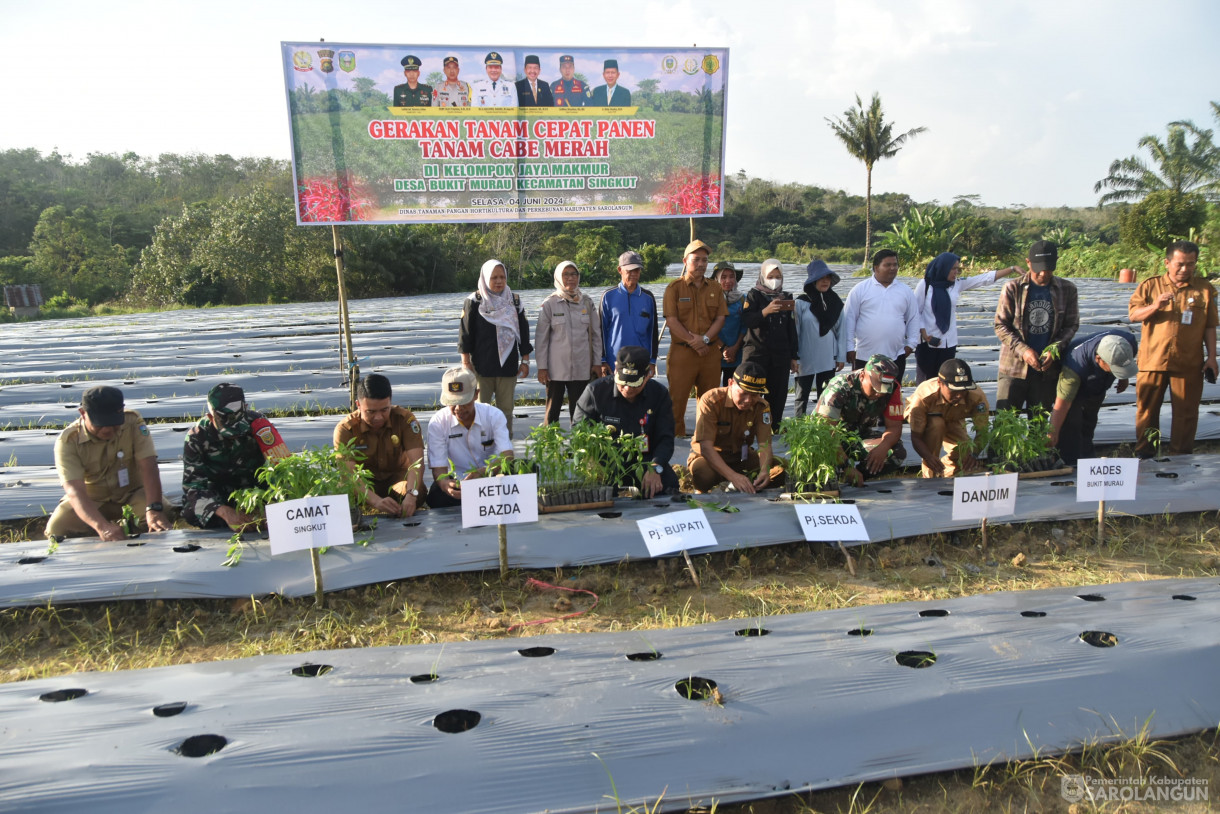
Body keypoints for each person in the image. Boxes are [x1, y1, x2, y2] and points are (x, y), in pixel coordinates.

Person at [1128, 240, 1218, 457]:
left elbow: (1209, 326)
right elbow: (1133, 315)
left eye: (1190, 264)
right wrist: (1155, 306)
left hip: (1188, 362)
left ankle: (1180, 458)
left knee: (1186, 414)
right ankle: (1146, 455)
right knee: (1147, 412)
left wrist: (1212, 357)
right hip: (1153, 360)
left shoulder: (1204, 290)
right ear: (1167, 262)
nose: (1185, 269)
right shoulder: (1150, 286)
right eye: (1180, 264)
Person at [47, 386, 170, 540]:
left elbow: (149, 466)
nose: (108, 430)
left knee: (161, 512)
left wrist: (154, 509)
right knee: (57, 528)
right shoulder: (68, 442)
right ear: (83, 413)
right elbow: (75, 491)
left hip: (131, 492)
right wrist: (102, 527)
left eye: (114, 423)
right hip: (93, 498)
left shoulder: (132, 422)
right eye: (100, 424)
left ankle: (135, 531)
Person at [182, 383, 291, 530]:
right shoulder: (197, 437)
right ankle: (234, 522)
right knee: (191, 511)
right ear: (210, 417)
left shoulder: (260, 426)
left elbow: (283, 469)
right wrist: (224, 512)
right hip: (223, 494)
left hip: (257, 490)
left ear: (245, 408)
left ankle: (259, 520)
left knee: (292, 497)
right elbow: (193, 487)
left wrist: (270, 505)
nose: (234, 436)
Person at [574, 345, 680, 497]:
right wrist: (592, 462)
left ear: (647, 375)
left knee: (668, 485)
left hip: (644, 461)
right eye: (623, 382)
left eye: (634, 384)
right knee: (595, 494)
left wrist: (656, 467)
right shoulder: (595, 392)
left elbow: (665, 438)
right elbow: (579, 432)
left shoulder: (659, 395)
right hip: (605, 462)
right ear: (615, 371)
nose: (627, 389)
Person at [994, 240, 1079, 414]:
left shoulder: (1067, 289)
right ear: (1028, 262)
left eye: (1048, 268)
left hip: (1046, 370)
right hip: (1014, 368)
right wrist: (1024, 350)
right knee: (1006, 424)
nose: (1042, 273)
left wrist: (1054, 349)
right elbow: (1001, 325)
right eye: (1038, 268)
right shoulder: (1013, 288)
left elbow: (1071, 325)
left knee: (1039, 424)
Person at [912, 252, 1017, 382]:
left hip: (948, 342)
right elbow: (915, 311)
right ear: (943, 268)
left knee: (946, 381)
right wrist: (924, 332)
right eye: (953, 269)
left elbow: (983, 279)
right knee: (927, 383)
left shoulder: (956, 284)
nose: (956, 272)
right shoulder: (926, 285)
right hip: (927, 343)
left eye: (958, 269)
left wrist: (1011, 269)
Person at [333, 374, 426, 517]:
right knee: (341, 495)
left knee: (418, 491)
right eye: (370, 411)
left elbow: (417, 464)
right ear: (358, 405)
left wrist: (411, 495)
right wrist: (376, 501)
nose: (378, 417)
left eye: (384, 410)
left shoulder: (405, 420)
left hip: (396, 480)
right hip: (364, 484)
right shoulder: (346, 429)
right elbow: (349, 475)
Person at [459, 258, 532, 438]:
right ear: (485, 278)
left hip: (507, 367)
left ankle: (504, 448)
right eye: (494, 277)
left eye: (502, 277)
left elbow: (523, 332)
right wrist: (466, 362)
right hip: (481, 368)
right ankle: (479, 445)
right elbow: (465, 334)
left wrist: (525, 361)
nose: (499, 281)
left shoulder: (514, 301)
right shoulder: (474, 301)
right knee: (479, 408)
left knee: (505, 410)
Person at [687, 361, 784, 493]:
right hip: (710, 458)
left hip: (741, 458)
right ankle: (726, 483)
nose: (748, 400)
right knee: (703, 475)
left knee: (783, 469)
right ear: (731, 383)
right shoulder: (711, 400)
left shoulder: (762, 407)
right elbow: (706, 447)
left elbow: (764, 445)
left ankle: (748, 483)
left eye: (755, 395)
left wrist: (764, 471)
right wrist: (733, 476)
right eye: (743, 393)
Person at [664, 239, 727, 435]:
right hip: (682, 354)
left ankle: (705, 441)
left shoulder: (715, 288)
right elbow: (672, 321)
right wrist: (695, 342)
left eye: (705, 260)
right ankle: (676, 441)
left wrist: (705, 340)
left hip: (709, 353)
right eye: (696, 259)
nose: (701, 264)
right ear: (685, 261)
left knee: (710, 401)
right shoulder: (674, 288)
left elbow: (720, 318)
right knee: (677, 401)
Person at [427, 367, 514, 509]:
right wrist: (446, 485)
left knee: (528, 470)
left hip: (493, 477)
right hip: (460, 482)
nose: (458, 409)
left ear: (476, 394)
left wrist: (483, 473)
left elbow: (507, 456)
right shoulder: (438, 422)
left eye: (464, 402)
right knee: (436, 496)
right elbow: (439, 468)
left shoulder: (493, 415)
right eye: (452, 403)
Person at [1047, 331, 1139, 464]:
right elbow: (1062, 404)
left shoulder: (1126, 343)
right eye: (1114, 368)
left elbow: (1126, 361)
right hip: (1079, 382)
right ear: (1099, 359)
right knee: (1072, 422)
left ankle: (1087, 459)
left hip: (1098, 383)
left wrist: (1123, 377)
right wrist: (1052, 432)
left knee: (1089, 421)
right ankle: (1070, 461)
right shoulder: (1074, 367)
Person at [816, 355, 906, 486]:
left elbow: (894, 427)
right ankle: (841, 473)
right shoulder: (839, 387)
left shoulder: (894, 389)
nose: (879, 394)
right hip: (828, 440)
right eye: (875, 388)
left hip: (858, 436)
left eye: (884, 390)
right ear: (863, 376)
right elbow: (827, 433)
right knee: (822, 471)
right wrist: (846, 466)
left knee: (896, 452)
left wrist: (883, 447)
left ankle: (858, 476)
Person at [536, 260, 603, 426]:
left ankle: (579, 448)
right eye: (566, 274)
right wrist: (542, 367)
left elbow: (595, 335)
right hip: (555, 369)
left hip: (581, 367)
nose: (570, 278)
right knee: (552, 413)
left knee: (581, 412)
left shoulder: (587, 302)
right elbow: (541, 338)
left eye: (574, 274)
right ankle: (549, 446)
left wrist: (596, 362)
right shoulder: (550, 304)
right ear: (559, 277)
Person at [842, 249, 920, 383]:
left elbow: (913, 319)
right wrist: (849, 348)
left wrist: (911, 344)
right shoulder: (860, 289)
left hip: (896, 356)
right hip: (864, 356)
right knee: (864, 397)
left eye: (895, 265)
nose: (892, 268)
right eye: (887, 265)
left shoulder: (905, 291)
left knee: (892, 397)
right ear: (876, 268)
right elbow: (849, 319)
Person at [905, 359, 989, 478]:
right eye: (954, 390)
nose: (959, 395)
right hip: (928, 419)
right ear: (940, 383)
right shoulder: (923, 397)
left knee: (964, 450)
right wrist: (929, 457)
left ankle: (946, 469)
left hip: (955, 417)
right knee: (937, 425)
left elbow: (983, 431)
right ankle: (930, 475)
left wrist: (974, 454)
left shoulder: (976, 396)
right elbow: (916, 437)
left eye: (963, 390)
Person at [740, 259, 799, 422]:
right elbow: (747, 320)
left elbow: (791, 328)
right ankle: (749, 427)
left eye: (778, 276)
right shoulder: (753, 295)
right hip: (757, 354)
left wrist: (794, 356)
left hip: (780, 356)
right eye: (771, 276)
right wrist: (765, 311)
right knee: (751, 393)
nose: (774, 280)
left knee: (778, 395)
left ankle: (774, 426)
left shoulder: (786, 297)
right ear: (763, 276)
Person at [793, 259, 846, 416]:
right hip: (805, 355)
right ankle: (798, 429)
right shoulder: (801, 302)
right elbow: (795, 331)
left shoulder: (836, 302)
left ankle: (823, 427)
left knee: (826, 396)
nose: (825, 281)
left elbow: (841, 330)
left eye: (828, 278)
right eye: (821, 278)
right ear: (813, 280)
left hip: (827, 356)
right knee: (801, 397)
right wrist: (794, 357)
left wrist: (841, 356)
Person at [600, 250, 659, 377]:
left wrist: (653, 361)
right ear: (620, 270)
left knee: (639, 395)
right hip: (614, 361)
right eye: (629, 270)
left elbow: (653, 332)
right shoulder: (608, 296)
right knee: (614, 395)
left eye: (637, 270)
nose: (634, 274)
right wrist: (602, 360)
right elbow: (602, 330)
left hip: (641, 360)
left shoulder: (648, 298)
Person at [715, 261, 745, 386]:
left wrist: (735, 348)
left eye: (731, 276)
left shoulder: (743, 299)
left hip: (736, 354)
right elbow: (706, 326)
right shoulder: (711, 299)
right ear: (716, 279)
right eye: (723, 277)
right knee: (712, 393)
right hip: (714, 353)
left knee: (733, 392)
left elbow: (745, 326)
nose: (728, 281)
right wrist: (723, 348)